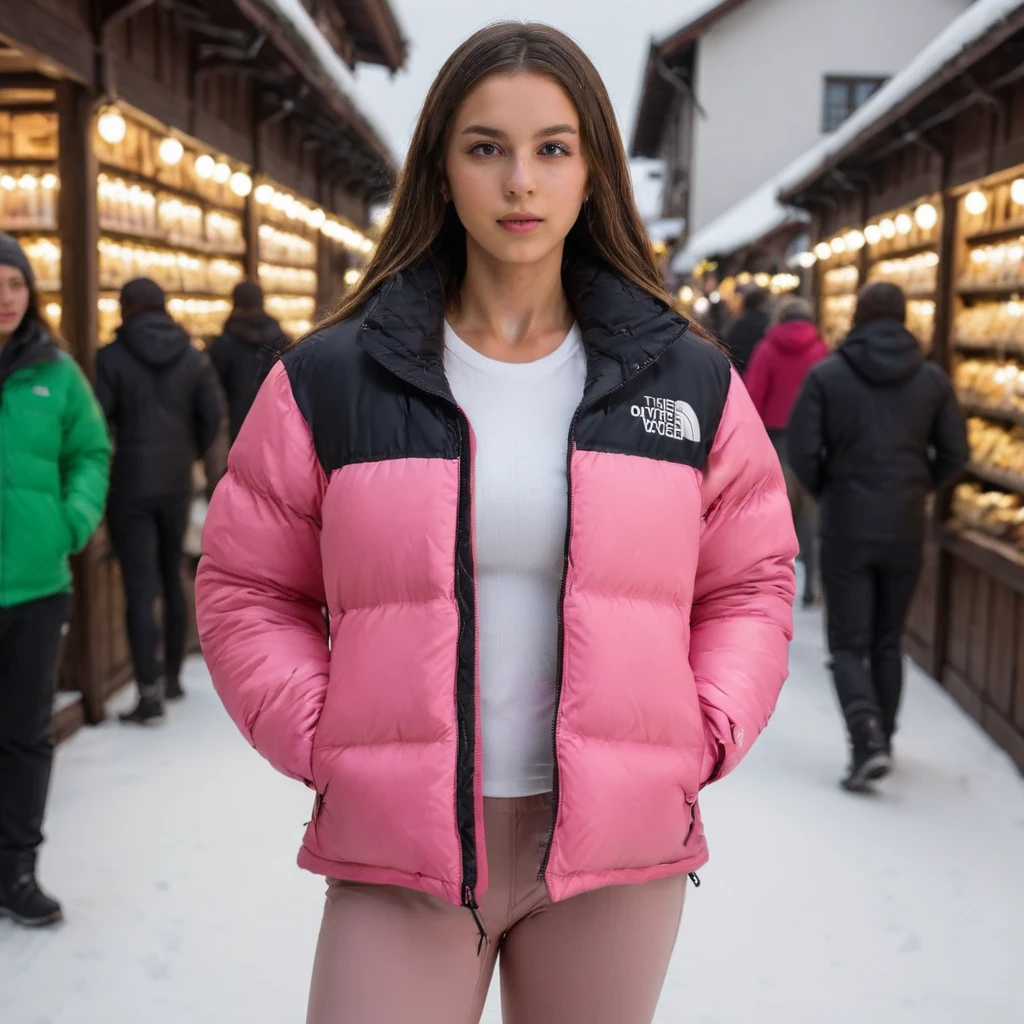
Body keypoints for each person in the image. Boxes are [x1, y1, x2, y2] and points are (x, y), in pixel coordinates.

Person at [196, 23, 797, 1024]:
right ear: (440, 168)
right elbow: (247, 584)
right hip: (405, 849)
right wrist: (330, 734)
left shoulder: (685, 380)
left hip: (611, 851)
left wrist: (699, 731)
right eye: (486, 147)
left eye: (552, 148)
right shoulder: (333, 377)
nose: (521, 180)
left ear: (593, 171)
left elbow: (751, 578)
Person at [788, 282, 967, 793]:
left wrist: (829, 489)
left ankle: (866, 738)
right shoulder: (932, 379)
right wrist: (918, 486)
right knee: (888, 641)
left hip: (846, 522)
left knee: (847, 641)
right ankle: (882, 736)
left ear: (859, 317)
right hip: (906, 525)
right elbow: (955, 452)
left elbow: (802, 449)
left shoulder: (829, 375)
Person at [0, 234, 111, 927]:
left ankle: (17, 869)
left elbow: (91, 452)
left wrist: (69, 524)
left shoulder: (56, 373)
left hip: (36, 586)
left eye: (14, 284)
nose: (4, 299)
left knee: (23, 735)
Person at [95, 278, 223, 723]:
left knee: (138, 586)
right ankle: (172, 677)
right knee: (172, 576)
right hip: (174, 481)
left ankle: (147, 689)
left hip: (129, 484)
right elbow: (211, 417)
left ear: (126, 308)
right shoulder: (192, 358)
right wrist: (187, 451)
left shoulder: (109, 358)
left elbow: (99, 422)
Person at [744, 297, 829, 606]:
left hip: (775, 439)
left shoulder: (767, 349)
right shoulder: (821, 351)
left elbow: (753, 397)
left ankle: (771, 588)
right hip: (813, 441)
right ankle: (813, 588)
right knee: (810, 516)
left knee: (773, 515)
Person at [208, 280, 291, 444]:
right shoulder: (282, 341)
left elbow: (212, 391)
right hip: (276, 424)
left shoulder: (225, 343)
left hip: (237, 428)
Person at [723, 284, 770, 372]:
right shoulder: (768, 322)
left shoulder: (739, 324)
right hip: (759, 369)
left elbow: (730, 347)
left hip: (742, 369)